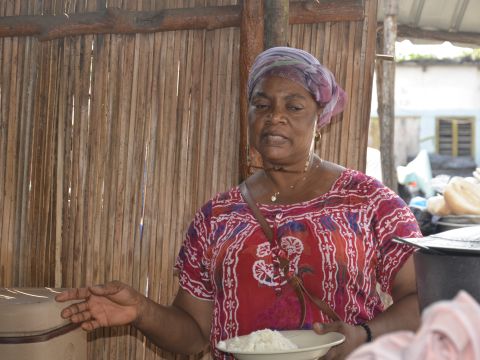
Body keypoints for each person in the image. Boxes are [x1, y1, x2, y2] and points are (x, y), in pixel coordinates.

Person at [56, 47, 422, 360]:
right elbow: (194, 333)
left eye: (293, 106)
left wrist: (365, 335)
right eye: (261, 104)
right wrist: (142, 312)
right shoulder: (218, 217)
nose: (274, 116)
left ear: (319, 119)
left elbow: (424, 299)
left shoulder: (369, 201)